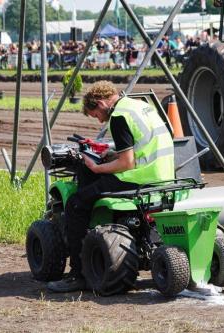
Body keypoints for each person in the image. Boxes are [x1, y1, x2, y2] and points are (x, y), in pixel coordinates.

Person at [47, 81, 175, 293]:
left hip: (139, 176)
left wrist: (97, 168)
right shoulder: (139, 106)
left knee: (76, 204)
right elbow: (140, 148)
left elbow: (127, 164)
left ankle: (77, 275)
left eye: (95, 114)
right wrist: (112, 155)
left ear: (100, 103)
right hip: (163, 173)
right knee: (98, 185)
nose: (99, 120)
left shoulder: (117, 117)